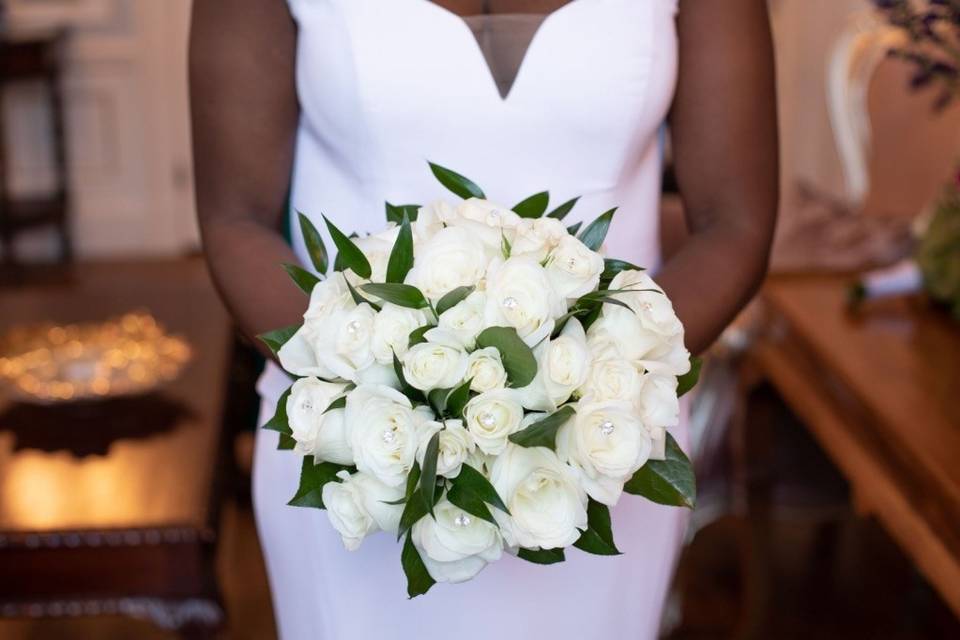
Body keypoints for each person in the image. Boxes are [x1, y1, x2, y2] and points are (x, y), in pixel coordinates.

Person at [190, 1, 778, 638]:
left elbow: (734, 227)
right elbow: (235, 220)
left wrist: (595, 386)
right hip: (355, 445)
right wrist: (379, 396)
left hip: (607, 446)